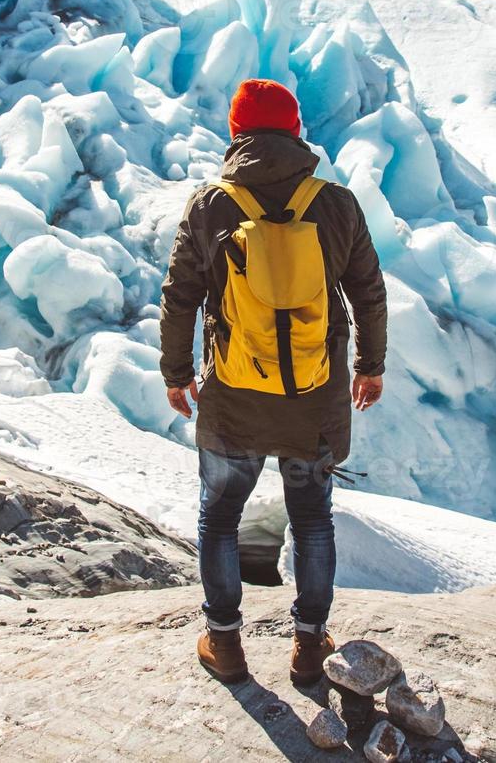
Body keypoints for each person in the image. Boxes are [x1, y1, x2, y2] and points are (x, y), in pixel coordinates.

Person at [159, 77, 387, 686]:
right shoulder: (335, 203)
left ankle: (226, 644)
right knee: (313, 519)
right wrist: (370, 364)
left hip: (234, 396)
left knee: (220, 517)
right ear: (295, 131)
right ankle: (310, 649)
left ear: (236, 132)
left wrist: (176, 372)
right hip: (314, 399)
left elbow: (180, 297)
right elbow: (368, 290)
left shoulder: (212, 205)